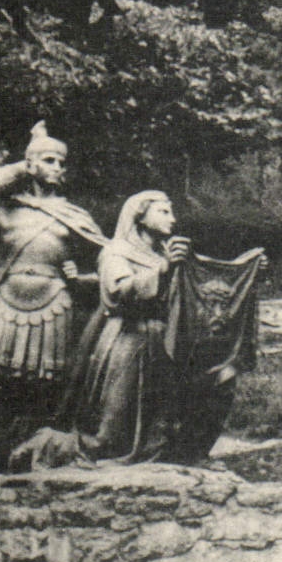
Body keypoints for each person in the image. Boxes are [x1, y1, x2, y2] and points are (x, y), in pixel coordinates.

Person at [0, 122, 106, 473]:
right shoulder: (1, 208)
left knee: (43, 390)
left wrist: (83, 278)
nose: (58, 168)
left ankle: (26, 464)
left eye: (61, 162)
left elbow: (108, 264)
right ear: (30, 164)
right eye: (49, 160)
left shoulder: (74, 215)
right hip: (5, 303)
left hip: (54, 305)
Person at [59, 190, 192, 463]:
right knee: (111, 431)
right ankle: (49, 448)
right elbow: (118, 293)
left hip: (159, 341)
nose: (173, 219)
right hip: (128, 340)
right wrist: (162, 271)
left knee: (157, 427)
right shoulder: (115, 251)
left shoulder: (163, 253)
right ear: (139, 217)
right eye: (164, 212)